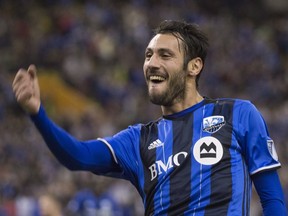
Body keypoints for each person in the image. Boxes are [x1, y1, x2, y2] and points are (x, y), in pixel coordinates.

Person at [12, 20, 287, 216]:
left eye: (165, 55)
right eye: (148, 55)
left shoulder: (238, 114)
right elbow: (77, 155)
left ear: (194, 66)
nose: (151, 63)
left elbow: (272, 199)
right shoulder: (137, 140)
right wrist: (38, 113)